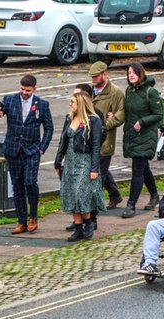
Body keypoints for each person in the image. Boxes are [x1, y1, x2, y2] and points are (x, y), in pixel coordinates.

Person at [0, 74, 53, 234]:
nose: (24, 92)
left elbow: (49, 128)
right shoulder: (9, 100)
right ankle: (21, 220)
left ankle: (33, 216)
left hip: (32, 150)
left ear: (34, 89)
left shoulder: (42, 105)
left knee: (30, 183)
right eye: (22, 89)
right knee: (17, 186)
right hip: (13, 149)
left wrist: (41, 148)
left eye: (28, 90)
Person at [54, 92, 105, 243]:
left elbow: (96, 145)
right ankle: (77, 227)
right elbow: (63, 141)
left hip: (85, 160)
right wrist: (58, 161)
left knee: (80, 193)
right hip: (70, 160)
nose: (70, 104)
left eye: (73, 102)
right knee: (70, 193)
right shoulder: (69, 118)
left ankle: (88, 221)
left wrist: (94, 168)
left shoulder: (94, 120)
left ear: (81, 104)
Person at [121, 62, 164, 218]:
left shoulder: (150, 92)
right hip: (133, 135)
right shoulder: (129, 91)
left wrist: (142, 122)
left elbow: (158, 114)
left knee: (137, 169)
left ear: (141, 74)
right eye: (129, 72)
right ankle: (154, 195)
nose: (131, 75)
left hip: (146, 136)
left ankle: (131, 204)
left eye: (134, 72)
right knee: (143, 167)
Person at [89, 61, 126, 210]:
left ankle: (92, 209)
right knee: (101, 169)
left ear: (105, 74)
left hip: (105, 141)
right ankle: (115, 195)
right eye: (92, 77)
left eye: (96, 76)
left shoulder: (115, 93)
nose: (93, 79)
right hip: (90, 140)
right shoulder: (90, 91)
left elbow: (121, 114)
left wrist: (104, 125)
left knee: (98, 175)